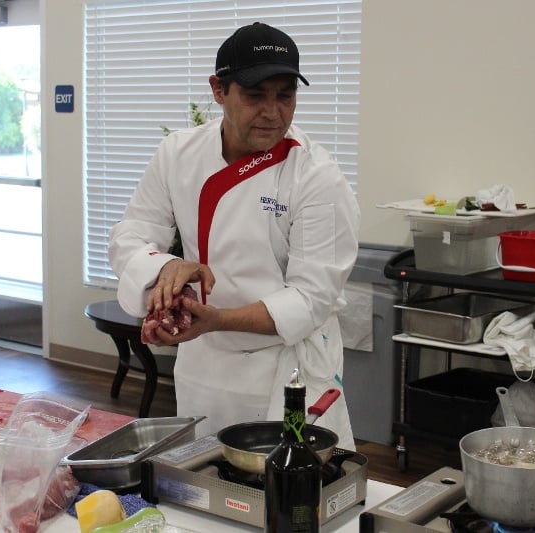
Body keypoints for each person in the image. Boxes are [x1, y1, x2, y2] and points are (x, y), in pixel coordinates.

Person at [109, 22, 360, 449]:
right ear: (219, 90)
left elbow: (311, 297)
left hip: (286, 371)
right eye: (255, 94)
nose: (273, 111)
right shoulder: (178, 154)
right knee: (204, 491)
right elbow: (129, 236)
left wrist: (218, 320)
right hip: (202, 366)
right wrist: (167, 267)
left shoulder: (317, 177)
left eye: (285, 95)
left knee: (291, 497)